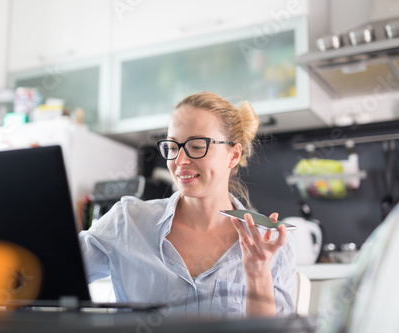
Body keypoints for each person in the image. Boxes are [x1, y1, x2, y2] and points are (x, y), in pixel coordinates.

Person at [79, 91, 296, 317]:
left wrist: (258, 275)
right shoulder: (127, 222)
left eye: (196, 146)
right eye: (172, 147)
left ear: (233, 155)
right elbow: (53, 274)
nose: (180, 161)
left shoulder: (270, 243)